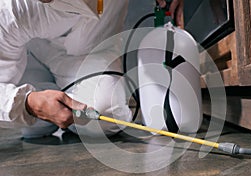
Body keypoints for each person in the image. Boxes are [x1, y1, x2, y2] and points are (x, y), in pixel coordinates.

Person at [0, 0, 184, 138]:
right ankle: (42, 101)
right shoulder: (10, 9)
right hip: (23, 56)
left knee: (104, 116)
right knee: (34, 126)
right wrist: (28, 103)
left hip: (89, 52)